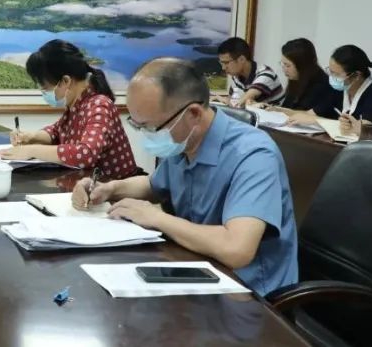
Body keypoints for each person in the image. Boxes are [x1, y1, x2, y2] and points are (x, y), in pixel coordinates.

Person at [72, 57, 298, 296]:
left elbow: (236, 249)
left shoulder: (253, 154)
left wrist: (156, 218)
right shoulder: (184, 141)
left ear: (193, 114)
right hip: (195, 268)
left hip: (248, 294)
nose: (146, 136)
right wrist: (110, 189)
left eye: (151, 128)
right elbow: (153, 185)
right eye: (138, 126)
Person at [0, 40, 140, 179]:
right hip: (88, 185)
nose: (45, 93)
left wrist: (31, 150)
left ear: (66, 81)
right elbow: (56, 132)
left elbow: (85, 154)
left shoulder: (99, 105)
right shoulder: (76, 105)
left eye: (46, 88)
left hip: (120, 189)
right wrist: (31, 137)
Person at [286, 45, 372, 134]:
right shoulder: (339, 89)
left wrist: (318, 121)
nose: (332, 77)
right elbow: (311, 114)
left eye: (336, 74)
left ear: (356, 75)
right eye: (330, 71)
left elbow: (364, 130)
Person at [262, 38, 340, 118]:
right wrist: (273, 109)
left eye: (288, 65)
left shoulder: (323, 85)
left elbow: (311, 115)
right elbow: (287, 107)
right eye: (283, 64)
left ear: (303, 66)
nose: (284, 69)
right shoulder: (296, 80)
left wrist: (280, 110)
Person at [216, 37, 285, 107]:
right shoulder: (236, 76)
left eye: (226, 63)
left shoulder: (266, 75)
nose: (223, 68)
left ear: (242, 59)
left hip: (275, 113)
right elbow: (232, 101)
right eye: (221, 63)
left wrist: (225, 101)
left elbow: (240, 103)